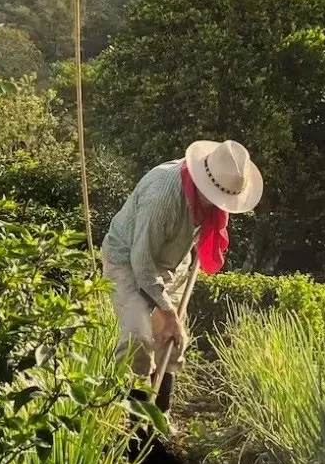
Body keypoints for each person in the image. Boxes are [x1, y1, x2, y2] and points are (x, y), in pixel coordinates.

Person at [101, 139, 263, 416]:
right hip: (128, 260)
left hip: (169, 262)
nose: (220, 206)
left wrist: (169, 319)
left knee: (170, 339)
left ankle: (160, 416)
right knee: (137, 338)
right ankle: (133, 420)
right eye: (217, 198)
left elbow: (194, 239)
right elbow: (142, 264)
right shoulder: (163, 196)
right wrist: (168, 311)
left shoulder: (211, 200)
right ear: (203, 182)